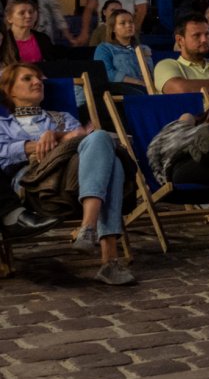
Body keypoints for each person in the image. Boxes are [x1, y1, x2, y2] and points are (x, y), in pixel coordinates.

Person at [0, 63, 136, 283]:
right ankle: (108, 258)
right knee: (110, 160)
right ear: (9, 90)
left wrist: (55, 135)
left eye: (38, 78)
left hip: (75, 178)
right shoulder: (3, 124)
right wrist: (45, 142)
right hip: (34, 183)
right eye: (27, 78)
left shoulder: (61, 118)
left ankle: (88, 229)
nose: (37, 82)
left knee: (101, 141)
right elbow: (2, 155)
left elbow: (87, 142)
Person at [154, 14, 209, 94]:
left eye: (207, 34)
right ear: (180, 40)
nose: (204, 40)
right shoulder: (165, 65)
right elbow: (181, 90)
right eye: (197, 35)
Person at [94, 9, 151, 96]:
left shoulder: (143, 48)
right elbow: (106, 73)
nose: (129, 25)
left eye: (131, 22)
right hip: (121, 90)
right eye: (122, 23)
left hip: (147, 87)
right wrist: (138, 82)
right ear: (113, 28)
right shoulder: (104, 48)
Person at [1, 0, 54, 68]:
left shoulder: (43, 38)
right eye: (22, 13)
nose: (28, 16)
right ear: (9, 19)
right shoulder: (3, 39)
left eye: (31, 12)